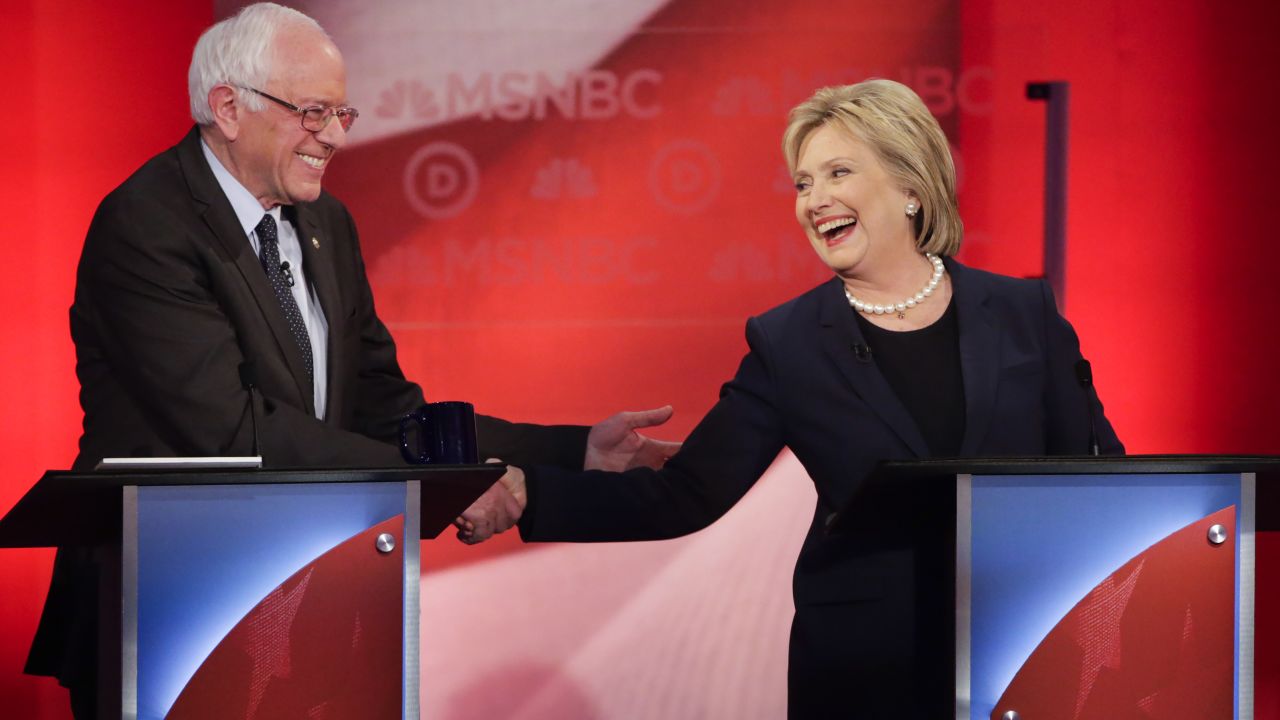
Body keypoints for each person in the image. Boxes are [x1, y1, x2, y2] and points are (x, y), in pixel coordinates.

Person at [23, 4, 677, 718]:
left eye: (342, 113)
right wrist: (433, 488)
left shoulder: (324, 223)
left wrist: (570, 449)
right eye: (312, 112)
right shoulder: (147, 222)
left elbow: (388, 411)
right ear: (228, 107)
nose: (333, 136)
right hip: (167, 604)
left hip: (309, 600)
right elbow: (231, 432)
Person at [470, 79, 1124, 717]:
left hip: (1020, 652)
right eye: (803, 183)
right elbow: (685, 495)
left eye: (839, 173)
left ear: (911, 189)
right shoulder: (790, 343)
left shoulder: (1021, 312)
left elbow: (1093, 481)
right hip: (863, 672)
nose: (815, 200)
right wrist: (532, 493)